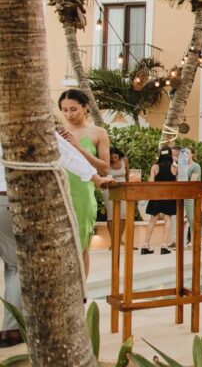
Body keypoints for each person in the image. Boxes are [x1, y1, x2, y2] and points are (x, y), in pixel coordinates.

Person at [0, 133, 110, 347]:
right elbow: (64, 152)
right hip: (11, 198)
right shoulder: (25, 118)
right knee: (17, 266)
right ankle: (12, 330)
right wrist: (95, 177)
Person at [57, 89, 110, 277]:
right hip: (57, 193)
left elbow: (104, 169)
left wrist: (79, 148)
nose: (69, 114)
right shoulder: (56, 134)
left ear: (85, 107)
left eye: (74, 109)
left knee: (82, 247)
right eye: (65, 110)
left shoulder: (98, 133)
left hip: (83, 195)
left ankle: (81, 295)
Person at [141, 148, 178, 255]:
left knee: (153, 220)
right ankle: (164, 245)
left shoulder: (155, 167)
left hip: (156, 195)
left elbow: (151, 182)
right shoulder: (174, 167)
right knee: (168, 219)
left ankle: (146, 244)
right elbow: (176, 181)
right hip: (169, 195)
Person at [168, 146, 202, 248]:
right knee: (179, 218)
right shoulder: (181, 166)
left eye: (188, 153)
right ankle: (181, 242)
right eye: (184, 153)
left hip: (192, 195)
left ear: (192, 154)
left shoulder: (196, 166)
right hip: (181, 194)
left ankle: (197, 241)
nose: (185, 155)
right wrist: (175, 164)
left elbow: (193, 181)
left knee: (192, 218)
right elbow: (174, 175)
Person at [105, 146, 129, 227]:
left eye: (116, 157)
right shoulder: (106, 162)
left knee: (123, 215)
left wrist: (128, 188)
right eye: (111, 158)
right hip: (109, 189)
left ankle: (119, 238)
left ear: (119, 155)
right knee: (110, 216)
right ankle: (113, 239)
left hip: (122, 189)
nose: (114, 160)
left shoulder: (124, 160)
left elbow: (127, 175)